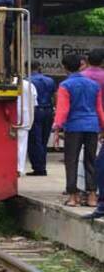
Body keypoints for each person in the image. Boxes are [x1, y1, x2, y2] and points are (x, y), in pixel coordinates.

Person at [52, 54, 104, 207]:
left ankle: (73, 197)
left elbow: (63, 109)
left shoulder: (65, 85)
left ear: (65, 67)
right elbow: (99, 109)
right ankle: (92, 196)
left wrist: (57, 127)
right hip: (92, 125)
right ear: (81, 65)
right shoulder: (94, 85)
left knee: (71, 161)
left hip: (74, 127)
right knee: (91, 161)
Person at [27, 61, 56, 176]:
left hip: (35, 111)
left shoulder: (27, 81)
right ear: (39, 67)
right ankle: (42, 164)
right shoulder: (50, 80)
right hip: (48, 110)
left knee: (35, 140)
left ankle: (39, 167)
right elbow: (55, 95)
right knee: (44, 139)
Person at [17, 76, 37, 176]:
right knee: (22, 145)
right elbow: (34, 103)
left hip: (9, 117)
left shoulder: (7, 84)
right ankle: (19, 168)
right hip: (24, 118)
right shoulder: (29, 85)